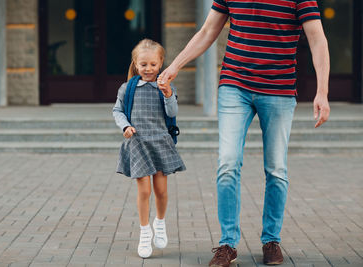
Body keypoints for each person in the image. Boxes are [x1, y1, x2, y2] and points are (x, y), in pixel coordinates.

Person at [159, 0, 330, 266]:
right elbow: (207, 31)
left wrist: (322, 91)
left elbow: (317, 38)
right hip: (234, 85)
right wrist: (175, 66)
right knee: (227, 163)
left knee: (276, 168)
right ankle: (228, 244)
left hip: (279, 89)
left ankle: (271, 240)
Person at [112, 39, 186, 258]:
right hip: (138, 142)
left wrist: (168, 94)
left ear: (161, 63)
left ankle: (160, 222)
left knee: (161, 191)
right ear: (136, 64)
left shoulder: (166, 86)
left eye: (153, 64)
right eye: (143, 64)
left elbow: (172, 113)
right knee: (144, 190)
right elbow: (117, 111)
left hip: (160, 141)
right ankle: (145, 232)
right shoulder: (128, 88)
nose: (148, 69)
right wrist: (125, 126)